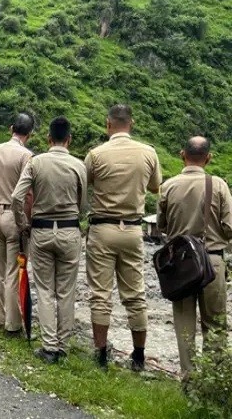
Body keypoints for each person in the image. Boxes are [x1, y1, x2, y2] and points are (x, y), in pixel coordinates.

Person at [85, 104, 161, 371]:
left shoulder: (96, 154)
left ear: (108, 124)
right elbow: (154, 186)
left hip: (102, 229)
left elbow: (89, 183)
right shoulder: (148, 153)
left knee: (100, 294)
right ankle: (138, 356)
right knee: (135, 294)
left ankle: (101, 355)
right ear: (132, 122)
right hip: (132, 229)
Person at [11, 116, 87, 363]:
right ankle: (63, 346)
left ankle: (49, 346)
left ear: (48, 138)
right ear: (69, 139)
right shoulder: (79, 166)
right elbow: (83, 205)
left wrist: (24, 224)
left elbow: (16, 198)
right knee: (66, 291)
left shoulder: (36, 162)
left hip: (41, 231)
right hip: (69, 231)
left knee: (45, 290)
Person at [157, 137, 232, 378]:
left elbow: (162, 225)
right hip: (212, 260)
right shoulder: (218, 184)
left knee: (184, 325)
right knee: (215, 325)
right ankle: (214, 379)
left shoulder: (168, 186)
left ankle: (189, 379)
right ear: (208, 158)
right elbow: (230, 227)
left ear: (182, 155)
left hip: (180, 264)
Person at [0, 113, 34, 337]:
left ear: (11, 128)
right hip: (14, 216)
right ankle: (13, 324)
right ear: (29, 134)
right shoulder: (27, 156)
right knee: (13, 270)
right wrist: (26, 222)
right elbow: (28, 195)